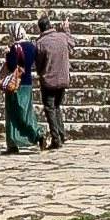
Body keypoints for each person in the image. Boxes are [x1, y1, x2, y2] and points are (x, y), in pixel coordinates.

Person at [0, 23, 46, 152]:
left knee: (13, 113)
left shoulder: (15, 48)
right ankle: (36, 135)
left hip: (16, 84)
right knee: (26, 111)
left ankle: (19, 140)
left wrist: (8, 54)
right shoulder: (31, 47)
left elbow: (13, 65)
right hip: (27, 83)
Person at [33, 15, 76, 148]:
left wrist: (41, 73)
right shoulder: (62, 37)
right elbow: (72, 43)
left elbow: (38, 64)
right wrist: (66, 29)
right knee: (56, 106)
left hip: (49, 80)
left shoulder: (40, 43)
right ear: (50, 25)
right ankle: (61, 134)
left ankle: (56, 138)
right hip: (63, 78)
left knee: (50, 108)